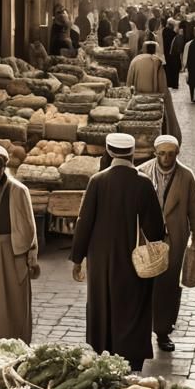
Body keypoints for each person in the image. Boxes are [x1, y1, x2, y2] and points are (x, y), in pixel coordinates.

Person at [70, 132, 166, 372]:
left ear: (109, 152)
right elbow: (155, 229)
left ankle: (103, 354)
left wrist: (78, 259)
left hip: (101, 261)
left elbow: (84, 222)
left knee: (102, 304)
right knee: (132, 307)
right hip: (132, 260)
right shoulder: (143, 183)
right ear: (132, 154)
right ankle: (131, 360)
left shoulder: (97, 181)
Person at [137, 135, 195, 353]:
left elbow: (194, 206)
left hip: (174, 237)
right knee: (143, 283)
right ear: (155, 153)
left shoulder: (186, 176)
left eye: (171, 154)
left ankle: (163, 330)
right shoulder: (142, 172)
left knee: (168, 285)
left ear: (177, 154)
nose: (166, 158)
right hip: (146, 237)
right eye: (162, 154)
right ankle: (140, 329)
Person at [0, 142, 39, 342]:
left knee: (14, 303)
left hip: (12, 253)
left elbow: (29, 228)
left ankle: (16, 343)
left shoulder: (17, 190)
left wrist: (27, 255)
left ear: (2, 169)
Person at [127, 42, 181, 143]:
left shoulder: (135, 61)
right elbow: (163, 87)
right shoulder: (157, 62)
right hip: (154, 103)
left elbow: (129, 84)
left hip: (137, 100)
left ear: (143, 49)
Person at [167, 23, 186, 92]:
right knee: (175, 71)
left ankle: (174, 84)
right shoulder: (180, 37)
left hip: (174, 56)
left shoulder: (178, 37)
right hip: (175, 56)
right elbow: (179, 49)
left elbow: (178, 48)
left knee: (174, 71)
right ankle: (175, 84)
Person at [162, 19, 179, 88]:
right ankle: (173, 84)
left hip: (165, 54)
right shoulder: (174, 34)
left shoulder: (163, 32)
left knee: (167, 69)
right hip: (172, 54)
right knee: (173, 69)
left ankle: (167, 83)